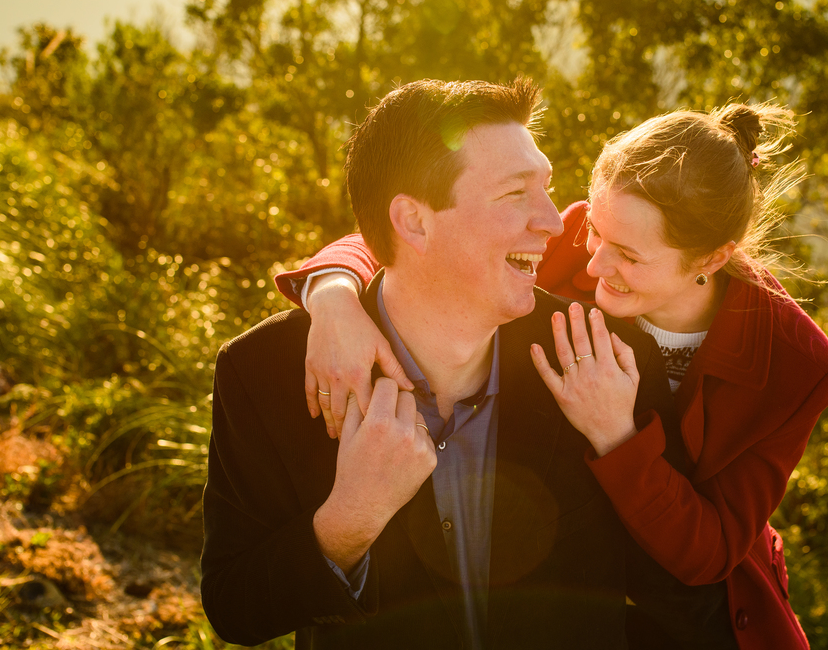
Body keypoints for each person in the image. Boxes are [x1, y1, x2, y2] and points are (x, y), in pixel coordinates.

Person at [278, 102, 828, 650]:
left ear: (710, 260)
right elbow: (419, 239)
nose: (594, 263)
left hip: (690, 612)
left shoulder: (797, 365)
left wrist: (614, 436)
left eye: (626, 254)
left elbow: (710, 552)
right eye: (597, 231)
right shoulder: (573, 235)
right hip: (561, 575)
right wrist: (332, 296)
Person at [202, 78, 688, 650]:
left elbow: (677, 589)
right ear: (414, 222)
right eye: (514, 194)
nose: (554, 222)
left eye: (548, 189)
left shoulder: (607, 359)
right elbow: (234, 607)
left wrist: (619, 444)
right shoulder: (264, 372)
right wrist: (349, 519)